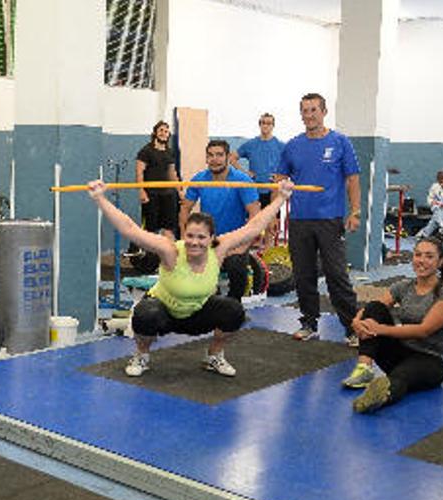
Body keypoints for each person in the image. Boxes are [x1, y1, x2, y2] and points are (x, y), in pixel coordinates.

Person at [85, 178, 296, 377]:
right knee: (145, 313)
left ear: (211, 238)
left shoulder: (219, 250)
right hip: (165, 314)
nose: (195, 242)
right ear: (184, 234)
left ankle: (214, 355)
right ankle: (141, 355)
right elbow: (130, 229)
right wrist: (100, 198)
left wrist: (281, 197)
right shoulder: (170, 252)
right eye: (190, 236)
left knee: (234, 311)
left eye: (201, 237)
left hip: (198, 313)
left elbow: (254, 227)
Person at [274, 92, 361, 348]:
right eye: (304, 110)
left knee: (336, 275)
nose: (308, 115)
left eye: (313, 110)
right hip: (299, 220)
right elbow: (280, 177)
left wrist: (354, 212)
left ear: (323, 112)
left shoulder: (340, 142)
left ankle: (353, 326)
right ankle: (309, 323)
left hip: (329, 220)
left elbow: (353, 178)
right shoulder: (292, 145)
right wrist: (280, 188)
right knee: (303, 275)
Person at [346, 238, 443, 413]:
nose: (421, 260)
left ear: (440, 262)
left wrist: (380, 329)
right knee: (375, 308)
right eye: (418, 255)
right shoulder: (403, 286)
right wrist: (357, 321)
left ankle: (381, 396)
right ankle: (364, 368)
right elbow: (375, 306)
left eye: (429, 256)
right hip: (398, 353)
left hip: (428, 360)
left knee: (401, 377)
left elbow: (423, 330)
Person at [180, 139, 261, 300]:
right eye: (210, 155)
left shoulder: (242, 181)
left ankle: (233, 304)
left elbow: (255, 214)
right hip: (207, 240)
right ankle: (209, 300)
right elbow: (184, 209)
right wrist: (185, 238)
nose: (214, 159)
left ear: (227, 157)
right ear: (206, 158)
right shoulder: (199, 179)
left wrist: (244, 244)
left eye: (219, 155)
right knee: (186, 266)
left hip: (234, 241)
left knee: (236, 267)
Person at [136, 120, 181, 240]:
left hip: (168, 194)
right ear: (155, 132)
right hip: (151, 195)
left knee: (169, 227)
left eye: (166, 131)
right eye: (161, 130)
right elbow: (139, 172)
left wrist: (180, 191)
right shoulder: (146, 151)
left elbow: (172, 173)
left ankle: (168, 255)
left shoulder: (169, 152)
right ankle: (151, 257)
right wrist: (141, 191)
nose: (163, 133)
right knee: (151, 228)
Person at [233, 113, 286, 208]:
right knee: (254, 220)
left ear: (273, 126)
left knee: (272, 221)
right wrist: (244, 173)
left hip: (273, 191)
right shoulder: (251, 144)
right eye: (263, 123)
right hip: (253, 191)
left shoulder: (280, 146)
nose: (265, 125)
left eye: (269, 123)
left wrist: (281, 177)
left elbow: (292, 164)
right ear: (260, 125)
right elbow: (231, 158)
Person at [414, 171, 443, 239]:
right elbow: (429, 199)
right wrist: (433, 202)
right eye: (440, 183)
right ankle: (442, 227)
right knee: (437, 211)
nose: (441, 184)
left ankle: (425, 233)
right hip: (437, 207)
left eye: (442, 182)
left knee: (436, 217)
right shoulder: (435, 186)